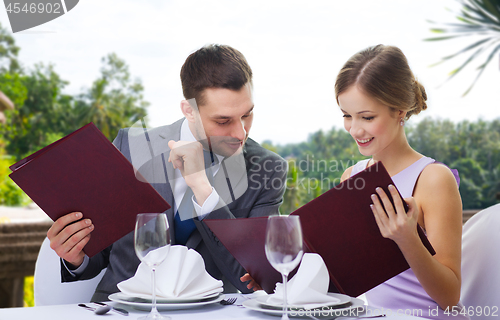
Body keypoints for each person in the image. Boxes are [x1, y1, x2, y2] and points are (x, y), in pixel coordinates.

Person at [46, 44, 287, 302]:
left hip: (211, 314)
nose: (240, 133)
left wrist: (203, 191)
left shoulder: (267, 169)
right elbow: (101, 256)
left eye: (247, 115)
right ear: (189, 111)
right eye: (223, 121)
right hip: (122, 311)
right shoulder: (131, 147)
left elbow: (254, 282)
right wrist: (76, 257)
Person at [336, 44, 468, 320]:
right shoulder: (351, 177)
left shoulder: (432, 179)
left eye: (367, 117)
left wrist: (407, 239)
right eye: (347, 115)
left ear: (399, 111)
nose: (355, 129)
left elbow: (450, 296)